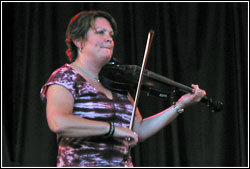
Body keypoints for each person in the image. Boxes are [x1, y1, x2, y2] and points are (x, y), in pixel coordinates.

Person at [40, 10, 206, 167]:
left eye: (111, 34)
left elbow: (137, 129)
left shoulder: (114, 82)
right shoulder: (66, 77)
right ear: (79, 41)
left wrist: (179, 105)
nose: (109, 39)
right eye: (100, 32)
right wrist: (112, 130)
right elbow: (58, 122)